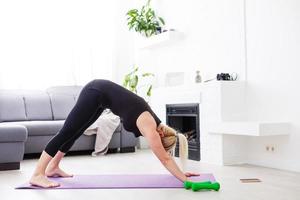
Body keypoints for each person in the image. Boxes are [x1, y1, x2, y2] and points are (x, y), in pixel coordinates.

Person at [29, 79, 199, 188]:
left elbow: (167, 152)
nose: (159, 149)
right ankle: (37, 174)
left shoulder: (159, 125)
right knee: (67, 132)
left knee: (77, 131)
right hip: (95, 91)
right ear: (160, 138)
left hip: (101, 98)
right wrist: (185, 180)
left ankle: (53, 167)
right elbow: (165, 158)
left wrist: (181, 172)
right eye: (162, 147)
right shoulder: (151, 127)